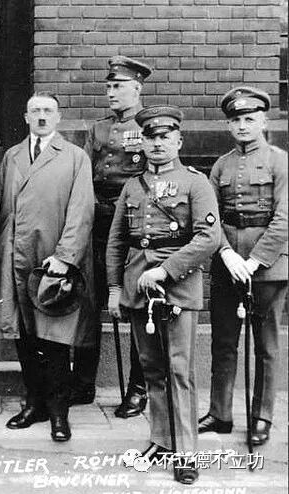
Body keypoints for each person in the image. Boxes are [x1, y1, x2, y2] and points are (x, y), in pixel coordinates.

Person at [106, 105, 220, 484]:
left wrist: (165, 270)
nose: (157, 143)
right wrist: (115, 288)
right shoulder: (132, 187)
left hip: (178, 287)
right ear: (143, 142)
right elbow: (117, 242)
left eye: (165, 137)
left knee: (179, 370)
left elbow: (208, 238)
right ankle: (161, 439)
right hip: (138, 286)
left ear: (178, 141)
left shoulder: (195, 183)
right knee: (152, 368)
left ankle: (186, 451)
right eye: (151, 137)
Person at [0, 91, 94, 442]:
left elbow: (81, 211)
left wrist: (65, 256)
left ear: (58, 118)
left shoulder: (74, 157)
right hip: (16, 256)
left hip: (51, 259)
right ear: (26, 117)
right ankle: (35, 403)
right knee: (25, 335)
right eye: (35, 111)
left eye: (48, 111)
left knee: (54, 338)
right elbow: (1, 207)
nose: (42, 116)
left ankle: (59, 411)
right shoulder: (12, 156)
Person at [198, 87, 287, 447]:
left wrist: (253, 261)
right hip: (228, 265)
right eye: (236, 120)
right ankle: (220, 412)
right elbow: (209, 218)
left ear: (264, 121)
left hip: (267, 267)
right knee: (223, 342)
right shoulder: (221, 165)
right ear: (228, 125)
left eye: (250, 119)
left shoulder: (280, 161)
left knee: (266, 345)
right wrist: (225, 253)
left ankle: (262, 416)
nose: (242, 126)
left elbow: (284, 218)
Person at [75, 56, 152, 417]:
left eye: (118, 86)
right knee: (89, 301)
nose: (111, 92)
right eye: (108, 86)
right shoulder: (99, 129)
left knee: (135, 301)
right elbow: (84, 176)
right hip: (98, 221)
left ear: (137, 88)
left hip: (133, 223)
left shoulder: (150, 126)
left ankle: (139, 388)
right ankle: (82, 382)